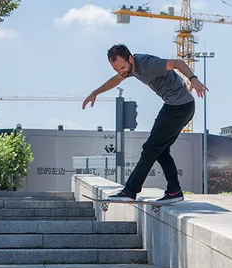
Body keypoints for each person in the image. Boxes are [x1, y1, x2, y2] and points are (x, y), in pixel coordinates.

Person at [82, 44, 208, 204]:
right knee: (160, 150)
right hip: (176, 106)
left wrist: (193, 79)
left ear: (130, 58)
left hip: (179, 108)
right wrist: (95, 93)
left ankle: (130, 190)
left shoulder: (147, 64)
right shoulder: (130, 69)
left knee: (150, 149)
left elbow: (177, 63)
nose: (121, 72)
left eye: (122, 67)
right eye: (117, 69)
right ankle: (174, 190)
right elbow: (116, 80)